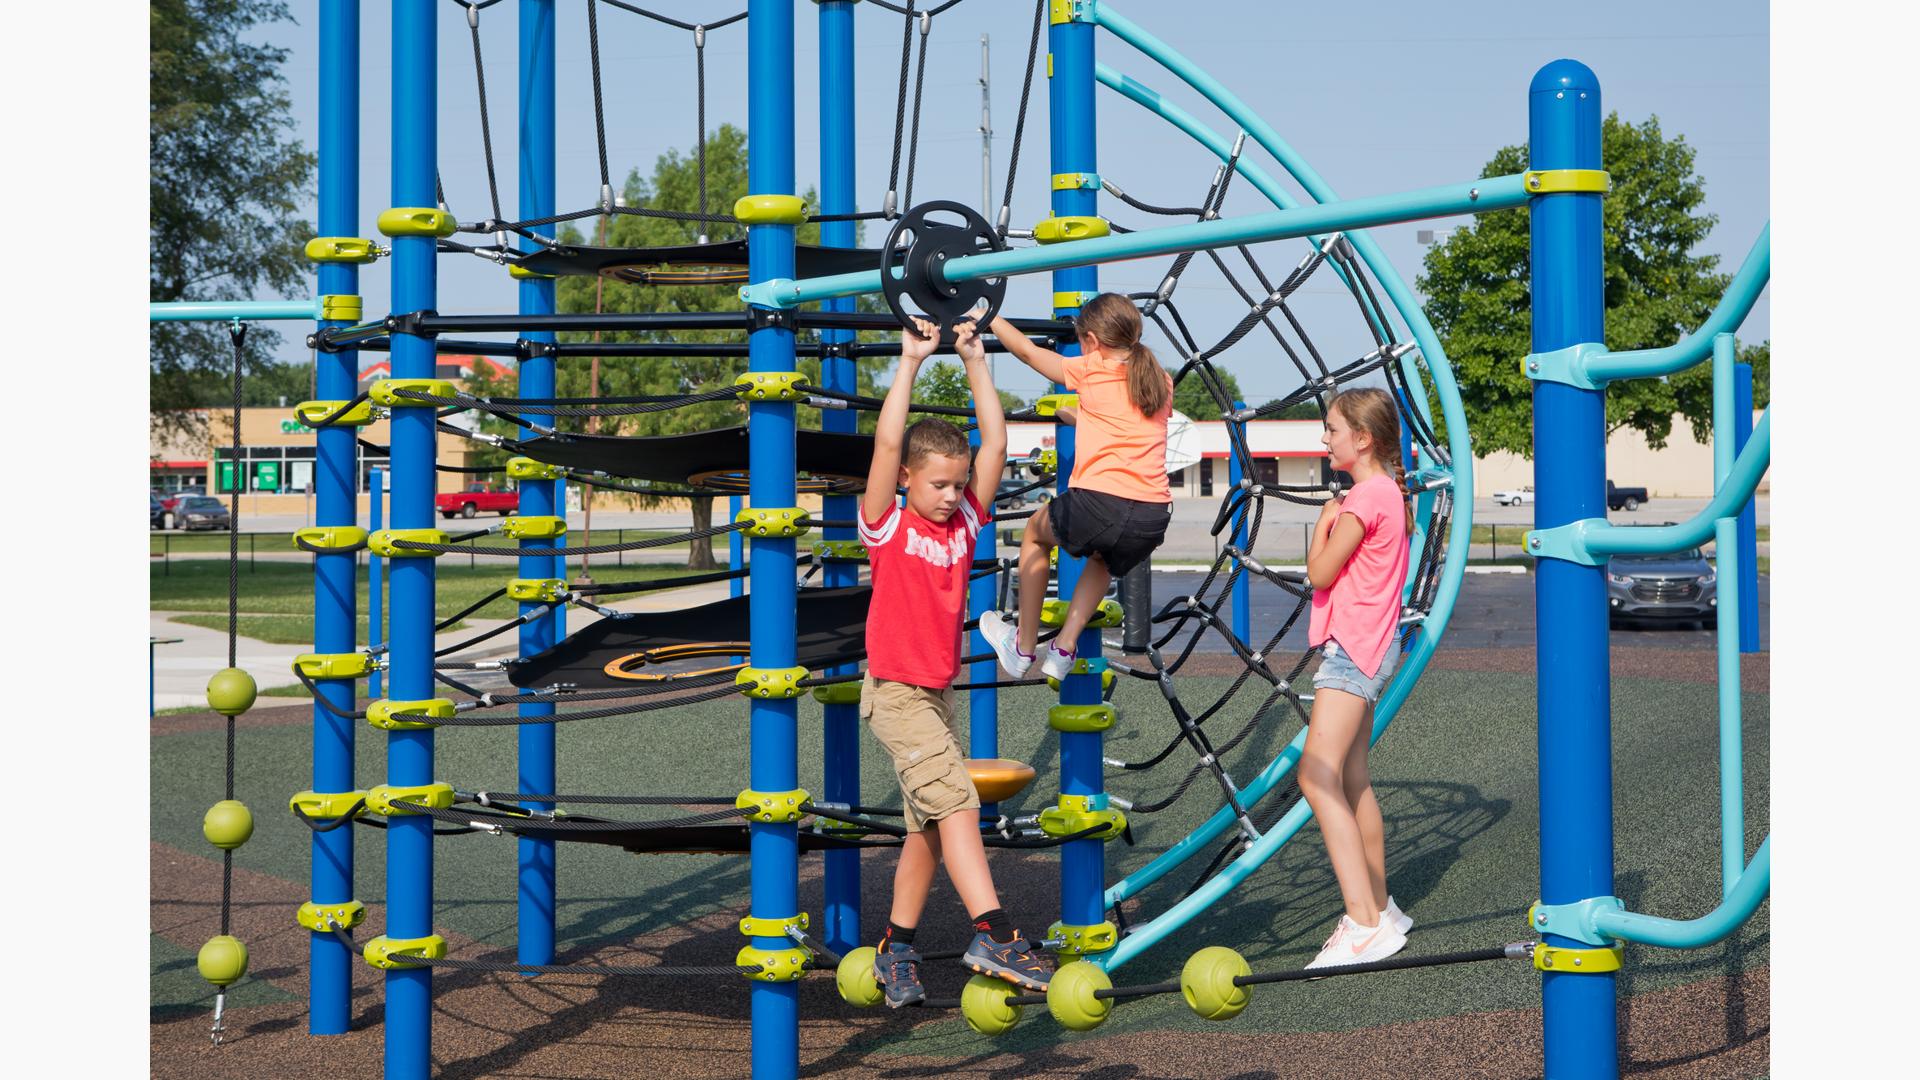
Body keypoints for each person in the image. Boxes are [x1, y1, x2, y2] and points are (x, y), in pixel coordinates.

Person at [861, 314, 1052, 1008]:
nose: (950, 495)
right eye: (938, 484)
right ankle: (995, 933)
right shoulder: (886, 523)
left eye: (958, 483)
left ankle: (897, 948)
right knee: (960, 805)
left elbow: (997, 440)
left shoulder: (966, 520)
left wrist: (976, 356)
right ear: (910, 478)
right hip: (895, 694)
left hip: (933, 696)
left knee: (929, 830)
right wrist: (910, 362)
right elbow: (887, 442)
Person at [975, 294, 1174, 680]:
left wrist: (987, 316)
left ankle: (1022, 646)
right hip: (1152, 516)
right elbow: (1124, 422)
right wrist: (1074, 415)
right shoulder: (1159, 380)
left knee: (1034, 534)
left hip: (1103, 503)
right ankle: (1064, 648)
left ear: (1092, 341)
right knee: (1101, 561)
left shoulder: (1092, 368)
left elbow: (1028, 351)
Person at [1298, 387, 1416, 969]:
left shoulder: (1363, 499)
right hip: (1374, 647)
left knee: (1315, 777)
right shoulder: (1390, 493)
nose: (1326, 438)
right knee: (1351, 779)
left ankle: (1363, 924)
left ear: (1362, 439)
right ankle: (1382, 907)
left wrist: (1321, 525)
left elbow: (1320, 574)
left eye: (1333, 429)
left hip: (1353, 653)